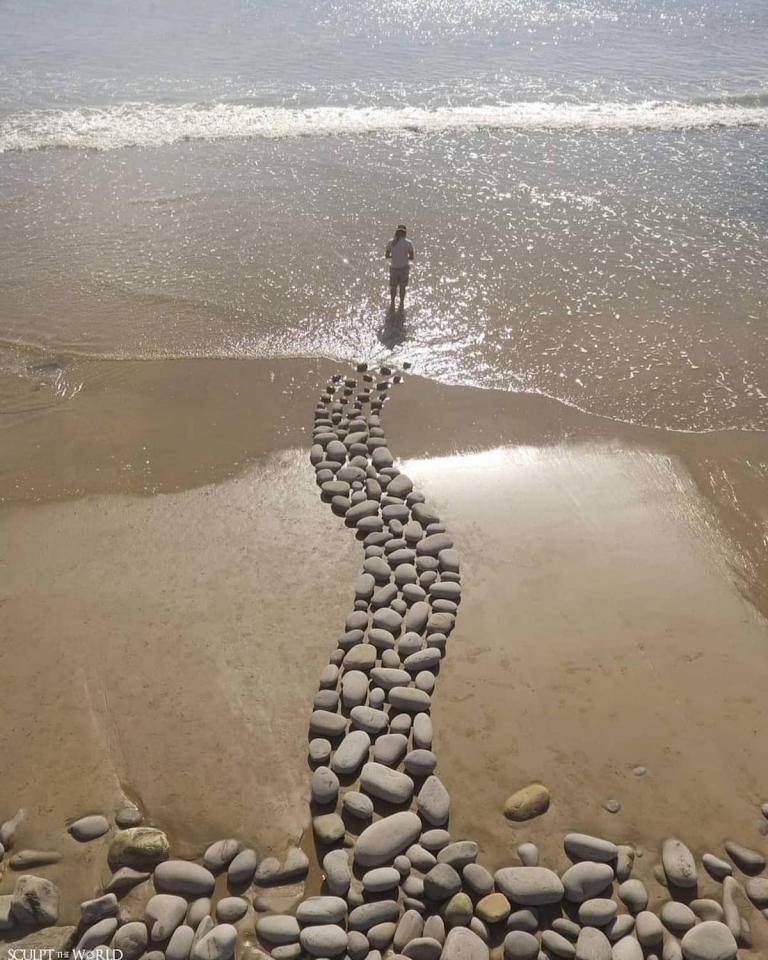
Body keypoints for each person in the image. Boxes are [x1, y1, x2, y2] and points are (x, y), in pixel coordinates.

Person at [385, 224, 414, 312]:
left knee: (393, 287)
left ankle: (393, 302)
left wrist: (395, 256)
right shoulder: (408, 243)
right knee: (403, 287)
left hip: (394, 267)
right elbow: (411, 257)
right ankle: (401, 303)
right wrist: (404, 257)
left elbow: (387, 256)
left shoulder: (391, 242)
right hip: (404, 267)